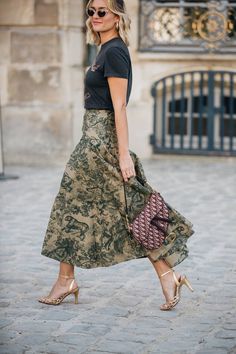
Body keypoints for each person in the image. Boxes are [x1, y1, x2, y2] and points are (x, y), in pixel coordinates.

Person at [38, 0, 194, 311]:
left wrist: (123, 154)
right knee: (87, 206)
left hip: (101, 145)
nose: (94, 16)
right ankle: (163, 275)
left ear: (117, 16)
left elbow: (119, 107)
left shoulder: (115, 51)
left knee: (122, 208)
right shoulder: (104, 49)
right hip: (91, 140)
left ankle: (163, 274)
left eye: (102, 11)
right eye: (90, 11)